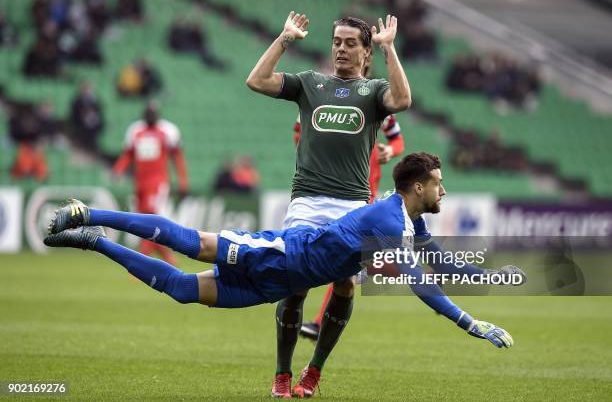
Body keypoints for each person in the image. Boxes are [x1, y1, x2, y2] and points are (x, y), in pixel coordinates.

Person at [44, 153, 517, 397]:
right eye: (439, 183)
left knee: (182, 289)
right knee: (190, 241)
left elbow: (437, 259)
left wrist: (486, 275)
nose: (444, 189)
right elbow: (419, 281)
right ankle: (89, 214)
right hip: (282, 255)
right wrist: (469, 324)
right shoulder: (391, 222)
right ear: (419, 187)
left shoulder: (408, 218)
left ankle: (93, 243)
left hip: (280, 283)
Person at [246, 12, 412, 397]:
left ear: (365, 50)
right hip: (306, 201)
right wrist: (285, 37)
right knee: (295, 285)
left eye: (351, 42)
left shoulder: (373, 92)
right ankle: (282, 373)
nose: (341, 48)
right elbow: (256, 80)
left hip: (353, 205)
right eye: (337, 41)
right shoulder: (309, 83)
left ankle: (314, 371)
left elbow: (403, 100)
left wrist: (390, 49)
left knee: (345, 287)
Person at [294, 111, 404, 340]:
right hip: (322, 190)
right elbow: (298, 133)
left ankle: (319, 322)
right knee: (314, 252)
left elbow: (396, 139)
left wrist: (391, 150)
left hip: (362, 193)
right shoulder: (319, 98)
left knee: (344, 260)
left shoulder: (377, 102)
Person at [112, 101, 189, 266]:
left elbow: (178, 158)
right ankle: (169, 259)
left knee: (151, 219)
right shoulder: (135, 131)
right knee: (144, 222)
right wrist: (118, 169)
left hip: (158, 183)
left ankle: (140, 261)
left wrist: (183, 181)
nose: (150, 116)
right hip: (140, 183)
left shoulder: (167, 131)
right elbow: (128, 154)